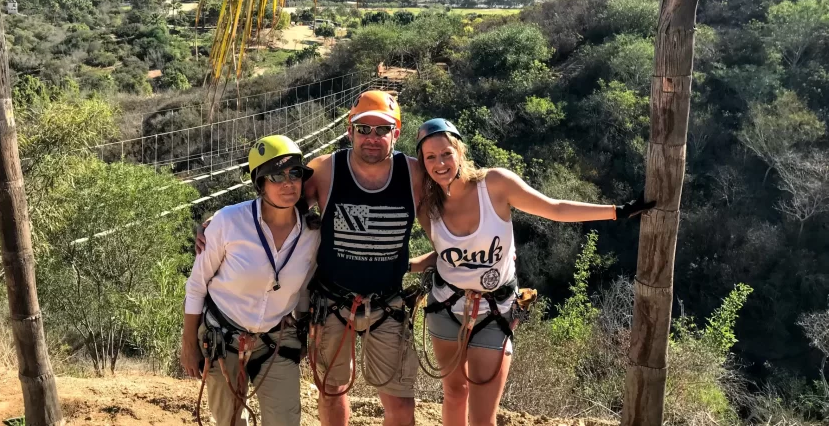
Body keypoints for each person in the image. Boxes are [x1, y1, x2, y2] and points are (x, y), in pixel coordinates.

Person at [197, 90, 422, 426]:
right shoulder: (328, 170)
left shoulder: (415, 174)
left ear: (396, 133)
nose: (371, 138)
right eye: (363, 129)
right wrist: (223, 218)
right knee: (332, 393)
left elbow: (453, 214)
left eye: (382, 130)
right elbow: (279, 198)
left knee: (401, 406)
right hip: (331, 303)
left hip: (386, 303)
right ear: (350, 130)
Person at [409, 118, 655, 426]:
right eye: (430, 157)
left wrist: (619, 211)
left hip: (494, 311)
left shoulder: (494, 185)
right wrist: (401, 265)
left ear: (460, 150)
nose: (440, 163)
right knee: (455, 393)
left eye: (446, 153)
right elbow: (447, 257)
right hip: (445, 306)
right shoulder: (427, 207)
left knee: (483, 417)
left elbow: (554, 208)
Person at [181, 135, 320, 426]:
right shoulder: (228, 222)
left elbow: (305, 286)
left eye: (295, 173)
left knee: (285, 421)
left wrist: (305, 326)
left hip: (275, 338)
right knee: (228, 421)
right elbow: (196, 286)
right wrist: (189, 345)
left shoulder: (312, 233)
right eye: (276, 176)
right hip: (223, 336)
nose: (288, 182)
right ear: (260, 184)